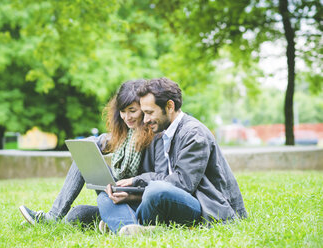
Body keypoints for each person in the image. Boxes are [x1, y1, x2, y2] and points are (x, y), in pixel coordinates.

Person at [97, 77, 247, 235]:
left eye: (149, 112)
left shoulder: (194, 134)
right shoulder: (165, 133)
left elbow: (183, 183)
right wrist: (130, 194)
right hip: (169, 198)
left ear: (169, 106)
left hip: (204, 206)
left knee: (155, 190)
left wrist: (137, 182)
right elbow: (162, 178)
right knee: (106, 196)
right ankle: (129, 228)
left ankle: (120, 222)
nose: (145, 120)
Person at [19, 79, 155, 226]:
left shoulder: (155, 135)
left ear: (144, 108)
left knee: (81, 213)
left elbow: (159, 182)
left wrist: (131, 192)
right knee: (76, 212)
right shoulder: (126, 135)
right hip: (114, 194)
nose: (127, 117)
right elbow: (100, 141)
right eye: (122, 111)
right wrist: (91, 144)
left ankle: (115, 222)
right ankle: (52, 217)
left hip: (137, 200)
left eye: (132, 111)